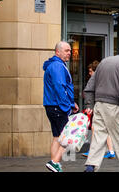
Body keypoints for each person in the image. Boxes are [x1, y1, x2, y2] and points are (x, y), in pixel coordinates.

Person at [83, 46, 119, 172]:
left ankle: (91, 165)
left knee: (98, 136)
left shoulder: (104, 62)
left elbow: (89, 87)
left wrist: (89, 105)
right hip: (115, 106)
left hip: (99, 105)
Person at [43, 41, 79, 172]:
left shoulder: (55, 65)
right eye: (66, 50)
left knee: (57, 137)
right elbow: (60, 87)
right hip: (58, 106)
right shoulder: (57, 66)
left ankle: (54, 165)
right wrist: (67, 105)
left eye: (70, 50)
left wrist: (71, 103)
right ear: (57, 52)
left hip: (52, 106)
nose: (69, 53)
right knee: (68, 136)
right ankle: (54, 162)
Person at [82, 61, 116, 159]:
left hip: (99, 106)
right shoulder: (107, 78)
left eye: (90, 71)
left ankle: (94, 151)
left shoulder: (96, 78)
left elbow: (88, 91)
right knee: (104, 129)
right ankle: (110, 151)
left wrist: (89, 106)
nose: (89, 74)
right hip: (108, 105)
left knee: (96, 128)